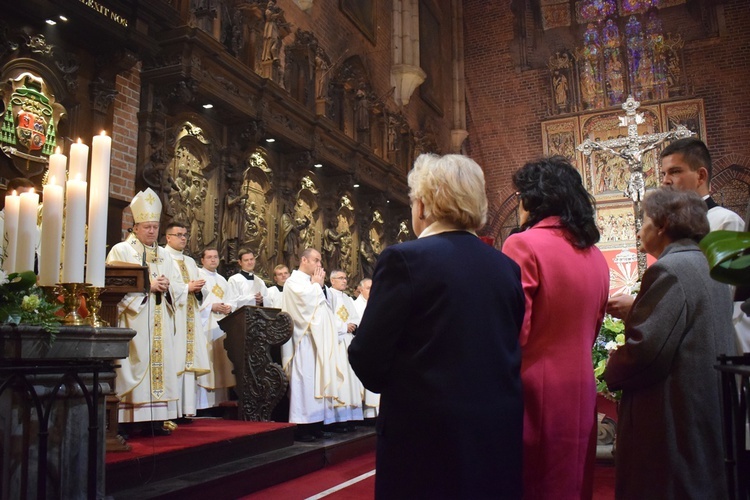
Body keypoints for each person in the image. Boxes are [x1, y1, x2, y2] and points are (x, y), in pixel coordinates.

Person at [348, 153, 525, 499]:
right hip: (495, 430)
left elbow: (368, 356)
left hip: (427, 435)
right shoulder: (506, 268)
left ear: (424, 205)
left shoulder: (405, 259)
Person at [603, 187, 735, 499]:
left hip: (672, 417)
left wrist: (611, 368)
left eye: (644, 220)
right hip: (703, 409)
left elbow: (646, 352)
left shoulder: (670, 270)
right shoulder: (706, 264)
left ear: (662, 226)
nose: (640, 228)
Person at [502, 156, 609, 500]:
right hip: (580, 385)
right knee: (575, 484)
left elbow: (516, 331)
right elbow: (592, 329)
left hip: (536, 387)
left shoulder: (523, 244)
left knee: (536, 484)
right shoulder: (594, 255)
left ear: (532, 198)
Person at [105, 188, 182, 436]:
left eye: (155, 227)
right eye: (146, 227)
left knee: (161, 364)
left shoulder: (164, 255)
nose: (151, 231)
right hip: (135, 318)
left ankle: (156, 419)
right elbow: (112, 286)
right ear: (136, 227)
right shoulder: (122, 250)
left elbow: (177, 285)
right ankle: (128, 420)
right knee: (134, 364)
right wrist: (148, 286)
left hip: (160, 316)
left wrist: (169, 288)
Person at [280, 248, 343, 442]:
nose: (319, 265)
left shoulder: (311, 282)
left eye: (320, 261)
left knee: (316, 382)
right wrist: (317, 285)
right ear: (304, 260)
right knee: (304, 383)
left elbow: (323, 308)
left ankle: (316, 424)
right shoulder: (293, 282)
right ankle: (302, 426)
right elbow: (305, 307)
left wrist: (318, 286)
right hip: (303, 341)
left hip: (317, 340)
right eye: (315, 260)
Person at [163, 222, 211, 419]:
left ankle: (187, 410)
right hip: (173, 317)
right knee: (175, 360)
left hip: (190, 317)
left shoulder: (190, 262)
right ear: (168, 237)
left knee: (188, 363)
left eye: (185, 235)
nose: (183, 238)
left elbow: (201, 290)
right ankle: (171, 412)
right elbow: (164, 285)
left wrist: (199, 289)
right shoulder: (162, 256)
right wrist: (186, 288)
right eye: (179, 234)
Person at [197, 247, 236, 409]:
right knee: (206, 360)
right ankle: (204, 405)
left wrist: (229, 307)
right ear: (202, 260)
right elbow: (195, 302)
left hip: (221, 326)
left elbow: (231, 300)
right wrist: (210, 307)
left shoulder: (222, 280)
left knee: (221, 363)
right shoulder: (198, 276)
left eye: (216, 257)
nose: (213, 260)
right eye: (209, 257)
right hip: (205, 326)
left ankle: (219, 403)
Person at [326, 269, 363, 432]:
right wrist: (343, 327)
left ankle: (350, 417)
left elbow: (354, 316)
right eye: (340, 278)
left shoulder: (347, 298)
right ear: (332, 280)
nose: (344, 281)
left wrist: (352, 325)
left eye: (345, 278)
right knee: (340, 378)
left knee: (350, 379)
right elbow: (327, 317)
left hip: (348, 341)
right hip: (337, 341)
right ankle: (338, 418)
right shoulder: (328, 295)